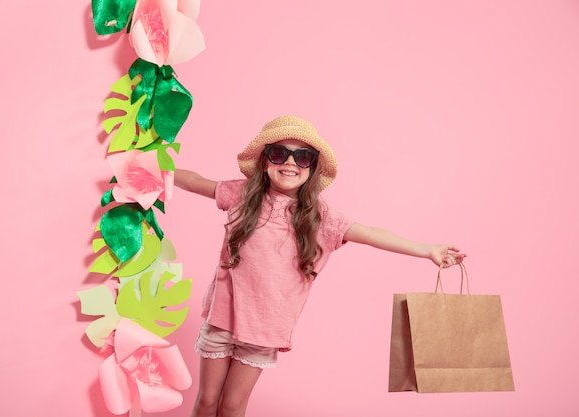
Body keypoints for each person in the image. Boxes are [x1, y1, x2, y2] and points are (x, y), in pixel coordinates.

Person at [174, 115, 466, 417]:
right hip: (223, 315)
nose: (290, 162)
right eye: (278, 153)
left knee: (233, 405)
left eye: (302, 157)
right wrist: (151, 170)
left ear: (312, 167)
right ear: (264, 161)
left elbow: (371, 234)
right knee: (208, 401)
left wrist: (427, 250)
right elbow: (196, 182)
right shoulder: (244, 194)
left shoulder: (320, 216)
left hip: (264, 327)